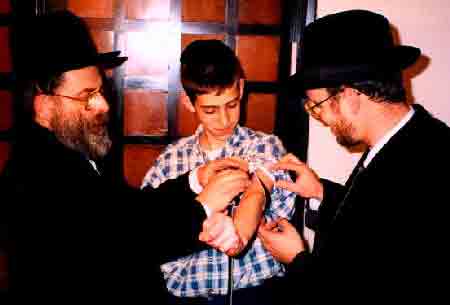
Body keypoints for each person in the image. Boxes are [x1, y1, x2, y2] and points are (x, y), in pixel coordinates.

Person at [0, 10, 249, 304]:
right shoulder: (35, 174)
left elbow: (130, 211)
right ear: (44, 107)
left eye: (100, 91)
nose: (102, 104)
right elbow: (126, 240)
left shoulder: (74, 149)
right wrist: (204, 206)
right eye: (86, 96)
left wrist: (195, 181)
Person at [258, 9, 450, 303]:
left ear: (348, 95)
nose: (318, 117)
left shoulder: (428, 163)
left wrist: (296, 259)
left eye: (316, 105)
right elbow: (371, 226)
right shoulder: (406, 141)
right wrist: (321, 191)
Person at [141, 39, 296, 304]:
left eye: (232, 104)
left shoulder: (265, 146)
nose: (224, 120)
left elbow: (257, 195)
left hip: (256, 295)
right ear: (189, 103)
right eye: (210, 110)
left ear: (242, 88)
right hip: (185, 298)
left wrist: (237, 234)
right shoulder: (169, 161)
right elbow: (144, 232)